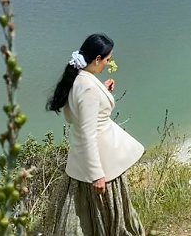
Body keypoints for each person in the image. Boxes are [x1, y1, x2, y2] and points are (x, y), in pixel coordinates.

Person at [43, 34, 146, 236]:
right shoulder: (89, 88)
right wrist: (97, 174)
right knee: (108, 215)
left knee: (87, 215)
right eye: (107, 60)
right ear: (97, 59)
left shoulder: (78, 79)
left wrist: (103, 91)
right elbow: (89, 133)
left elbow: (76, 116)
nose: (108, 64)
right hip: (101, 163)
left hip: (80, 160)